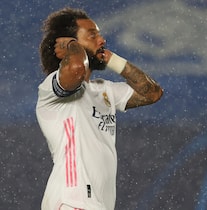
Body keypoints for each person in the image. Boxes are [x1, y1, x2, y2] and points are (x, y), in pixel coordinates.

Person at [36, 7, 163, 210]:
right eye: (92, 35)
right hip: (72, 199)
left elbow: (152, 93)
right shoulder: (51, 89)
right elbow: (76, 69)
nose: (102, 40)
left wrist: (113, 60)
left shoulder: (105, 90)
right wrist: (71, 45)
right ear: (69, 44)